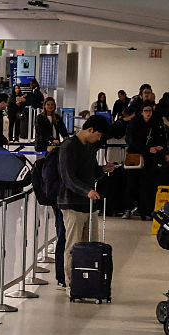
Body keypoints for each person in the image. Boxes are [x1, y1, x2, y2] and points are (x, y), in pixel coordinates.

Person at [57, 114, 113, 288]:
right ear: (90, 129)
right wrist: (86, 190)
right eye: (98, 135)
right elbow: (68, 177)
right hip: (72, 204)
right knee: (73, 245)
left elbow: (91, 173)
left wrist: (104, 169)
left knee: (91, 245)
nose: (99, 139)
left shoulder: (89, 147)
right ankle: (71, 283)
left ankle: (88, 280)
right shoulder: (68, 146)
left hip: (88, 205)